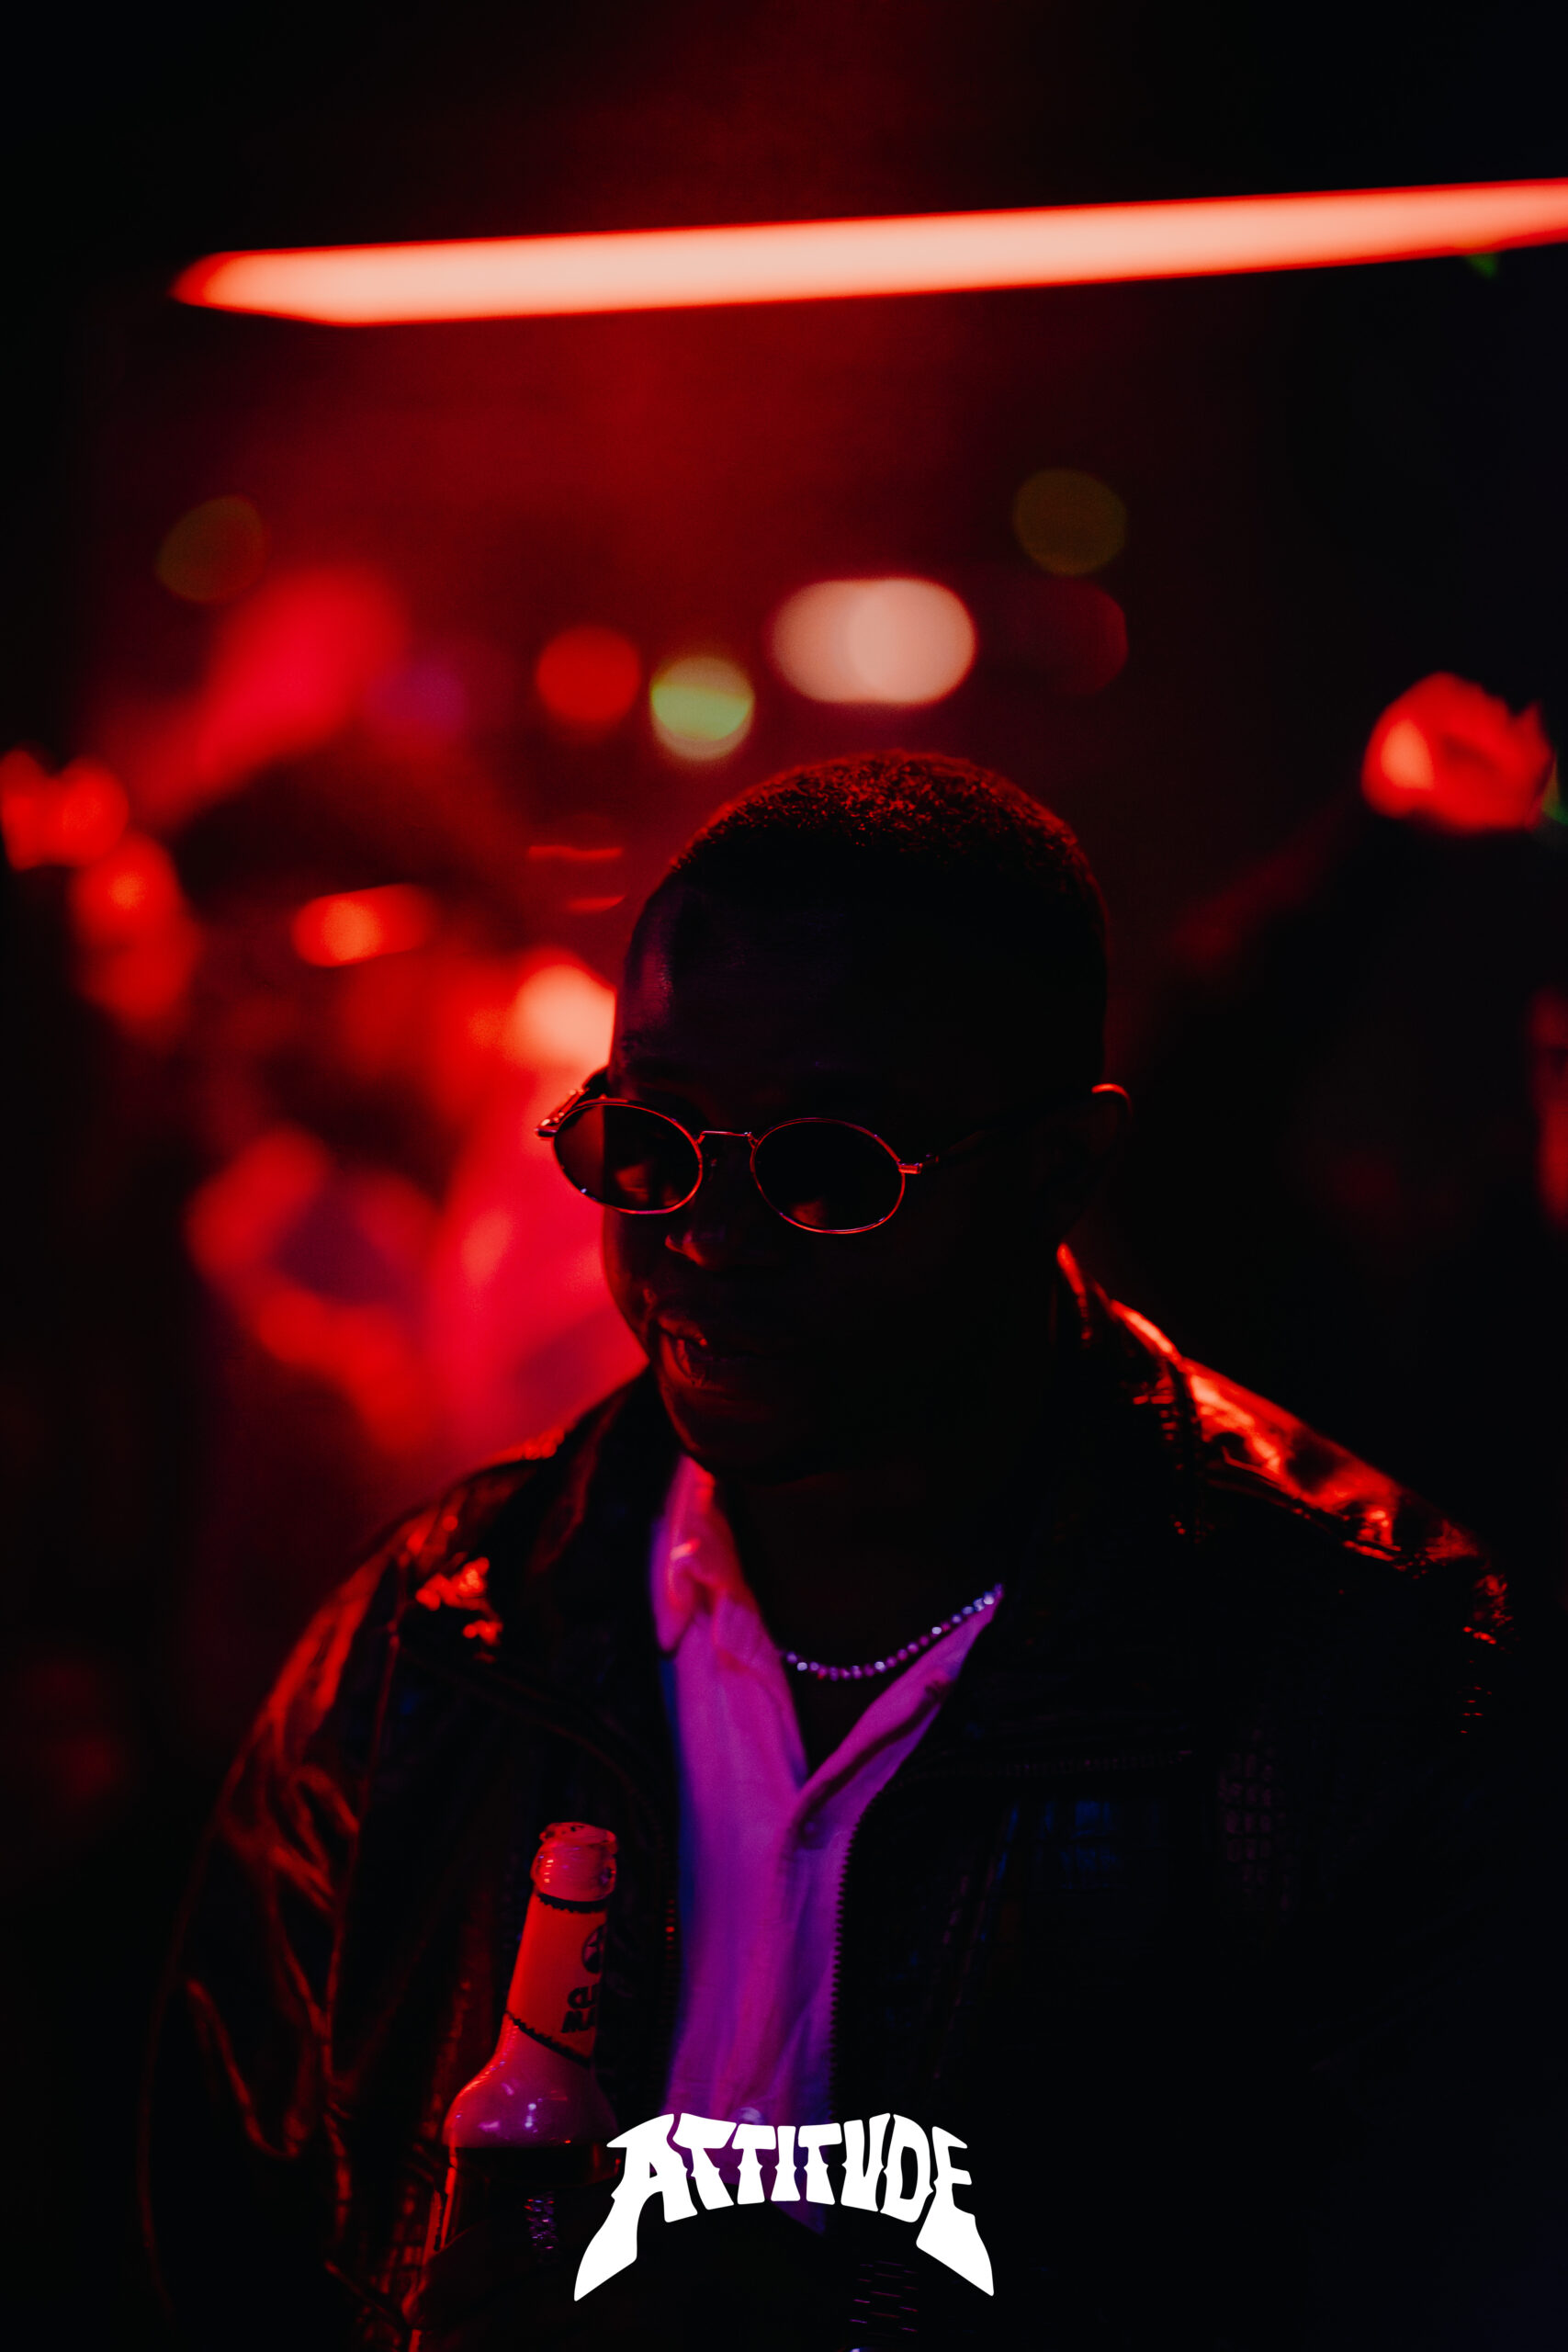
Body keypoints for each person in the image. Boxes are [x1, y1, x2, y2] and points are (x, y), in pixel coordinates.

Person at [142, 754, 1556, 2351]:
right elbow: (236, 2243)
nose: (706, 1235)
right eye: (649, 1141)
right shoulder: (435, 1638)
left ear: (1058, 1176)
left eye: (826, 1170)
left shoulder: (1368, 1672)